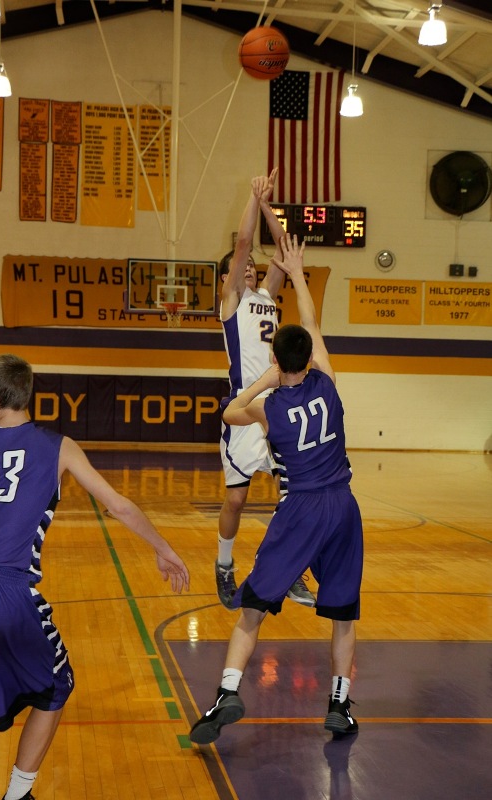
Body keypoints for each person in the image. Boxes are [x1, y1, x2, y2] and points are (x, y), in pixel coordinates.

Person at [0, 354, 190, 800]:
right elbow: (118, 505)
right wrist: (163, 548)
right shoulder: (58, 446)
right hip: (7, 591)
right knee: (57, 684)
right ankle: (17, 793)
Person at [190, 234, 363, 745]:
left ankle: (227, 692)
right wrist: (297, 273)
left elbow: (229, 413)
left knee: (253, 607)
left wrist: (264, 381)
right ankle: (338, 704)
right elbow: (310, 322)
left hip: (301, 508)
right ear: (309, 356)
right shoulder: (328, 382)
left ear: (275, 356)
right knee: (343, 613)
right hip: (343, 506)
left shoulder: (269, 410)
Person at [216, 169, 315, 610]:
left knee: (292, 494)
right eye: (243, 267)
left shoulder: (268, 297)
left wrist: (268, 203)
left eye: (254, 266)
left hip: (276, 403)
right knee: (236, 499)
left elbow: (282, 249)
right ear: (229, 278)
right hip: (244, 405)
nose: (251, 266)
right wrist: (252, 200)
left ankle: (288, 569)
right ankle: (224, 564)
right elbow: (243, 243)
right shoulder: (231, 302)